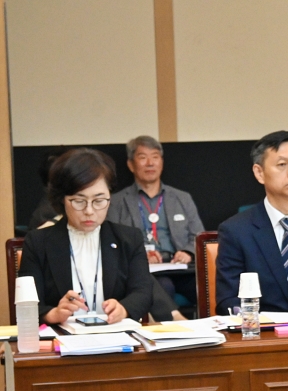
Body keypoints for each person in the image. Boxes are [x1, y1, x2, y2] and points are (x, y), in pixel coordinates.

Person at [18, 148, 153, 324]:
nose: (89, 211)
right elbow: (27, 303)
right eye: (79, 201)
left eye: (98, 201)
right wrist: (54, 314)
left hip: (116, 337)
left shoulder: (129, 238)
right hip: (62, 340)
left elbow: (143, 293)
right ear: (62, 199)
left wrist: (123, 308)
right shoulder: (38, 242)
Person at [215, 131, 288, 315]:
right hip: (262, 333)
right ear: (259, 172)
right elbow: (228, 299)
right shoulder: (236, 230)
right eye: (282, 165)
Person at [107, 135, 205, 312]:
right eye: (143, 157)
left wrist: (188, 252)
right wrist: (141, 256)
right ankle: (174, 333)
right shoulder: (117, 202)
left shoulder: (182, 198)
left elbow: (199, 236)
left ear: (162, 162)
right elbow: (112, 242)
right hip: (146, 272)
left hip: (181, 268)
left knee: (207, 286)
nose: (150, 163)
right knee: (163, 287)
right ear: (131, 165)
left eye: (155, 157)